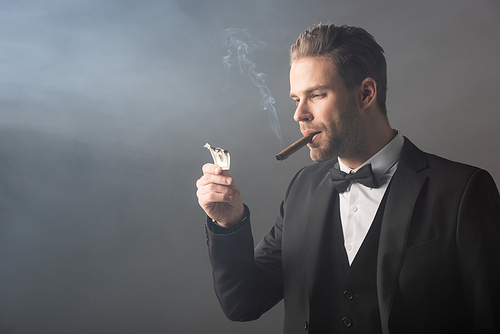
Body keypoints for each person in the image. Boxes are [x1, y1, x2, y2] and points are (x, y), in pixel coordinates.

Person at [195, 24, 500, 333]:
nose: (299, 114)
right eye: (295, 99)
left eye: (316, 95)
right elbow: (243, 303)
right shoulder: (302, 188)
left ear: (366, 94)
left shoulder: (462, 191)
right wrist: (228, 224)